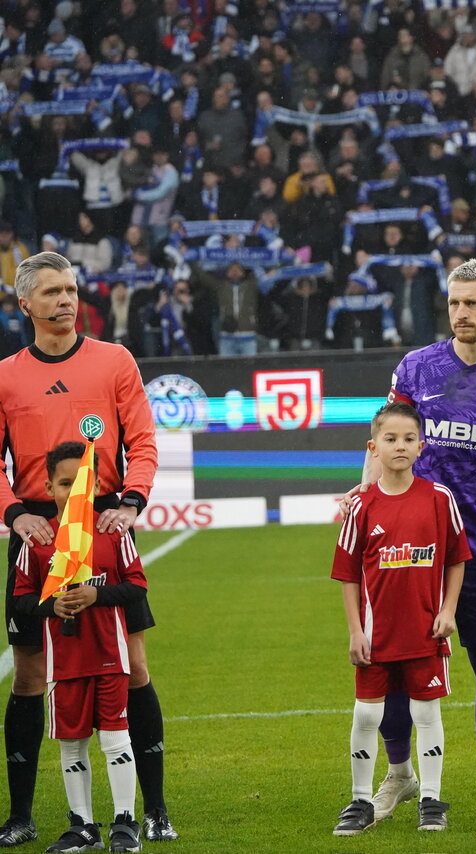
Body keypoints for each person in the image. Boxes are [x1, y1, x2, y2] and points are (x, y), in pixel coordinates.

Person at [349, 259, 476, 822]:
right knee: (392, 664)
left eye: (472, 303)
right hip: (408, 549)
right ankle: (398, 776)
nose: (460, 312)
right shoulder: (417, 368)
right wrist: (365, 503)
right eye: (454, 302)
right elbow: (383, 439)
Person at [0, 252, 175, 847]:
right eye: (50, 292)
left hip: (102, 526)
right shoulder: (6, 375)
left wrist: (131, 500)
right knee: (29, 673)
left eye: (71, 289)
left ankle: (153, 810)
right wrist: (17, 513)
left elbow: (144, 439)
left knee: (132, 664)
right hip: (38, 531)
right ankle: (21, 816)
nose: (66, 300)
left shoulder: (114, 360)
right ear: (24, 304)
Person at [331, 402, 469, 835]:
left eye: (409, 438)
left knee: (428, 716)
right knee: (366, 717)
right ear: (373, 448)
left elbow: (456, 560)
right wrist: (355, 630)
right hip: (375, 636)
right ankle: (359, 802)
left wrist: (448, 611)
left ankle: (431, 799)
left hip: (425, 632)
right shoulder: (361, 507)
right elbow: (348, 574)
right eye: (390, 439)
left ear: (422, 446)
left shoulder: (438, 499)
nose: (400, 446)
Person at [12, 442, 148, 852]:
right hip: (64, 662)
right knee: (71, 743)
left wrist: (97, 597)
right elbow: (20, 597)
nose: (72, 491)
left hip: (110, 655)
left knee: (114, 738)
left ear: (97, 486)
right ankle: (82, 825)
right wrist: (51, 605)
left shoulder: (111, 532)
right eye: (64, 483)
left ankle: (125, 823)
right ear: (48, 486)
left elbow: (138, 585)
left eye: (81, 483)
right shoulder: (37, 539)